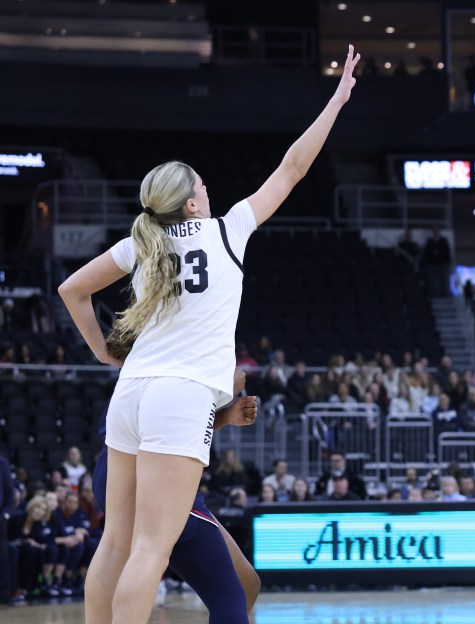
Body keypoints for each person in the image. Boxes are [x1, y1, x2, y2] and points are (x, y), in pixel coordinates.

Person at [56, 46, 359, 623]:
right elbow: (294, 166)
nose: (211, 190)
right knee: (149, 548)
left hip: (131, 393)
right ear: (193, 200)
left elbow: (72, 289)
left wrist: (102, 351)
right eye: (203, 185)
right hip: (181, 396)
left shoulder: (141, 244)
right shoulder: (227, 230)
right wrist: (337, 99)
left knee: (115, 546)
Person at [93, 371, 260, 622]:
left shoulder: (146, 356)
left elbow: (161, 425)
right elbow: (167, 424)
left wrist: (222, 415)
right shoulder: (189, 355)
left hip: (121, 464)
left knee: (247, 583)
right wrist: (221, 393)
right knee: (229, 593)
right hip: (156, 473)